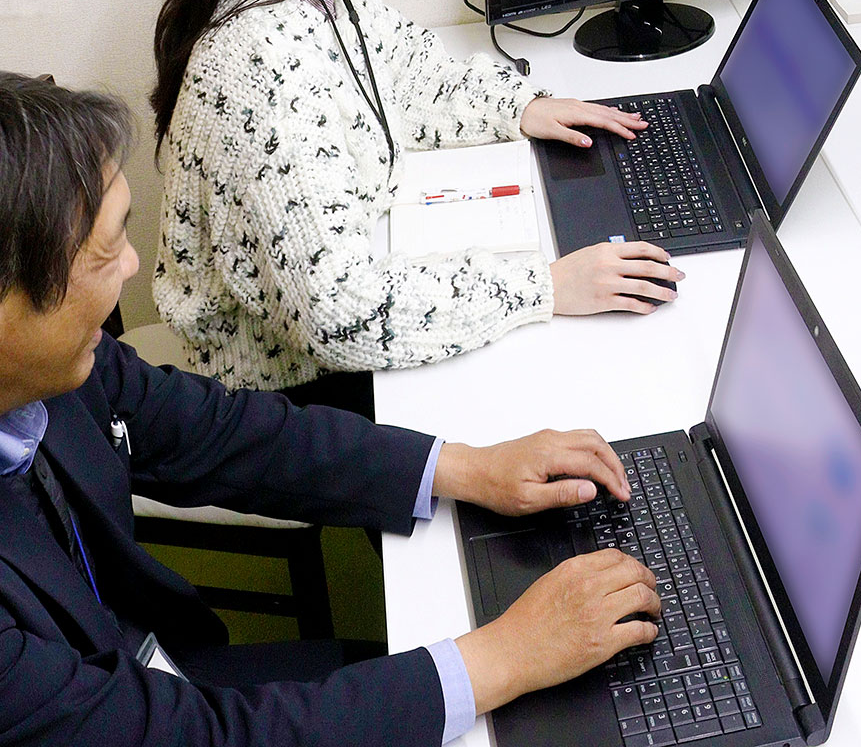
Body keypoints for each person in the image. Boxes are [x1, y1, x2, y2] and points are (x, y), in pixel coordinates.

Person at [0, 72, 662, 744]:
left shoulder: (58, 369)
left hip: (150, 675)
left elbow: (215, 432)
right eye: (105, 251)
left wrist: (462, 468)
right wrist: (506, 656)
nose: (133, 266)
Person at [151, 0, 682, 406]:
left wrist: (521, 107)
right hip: (281, 399)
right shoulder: (261, 72)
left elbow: (409, 72)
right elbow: (343, 315)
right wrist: (545, 287)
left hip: (341, 313)